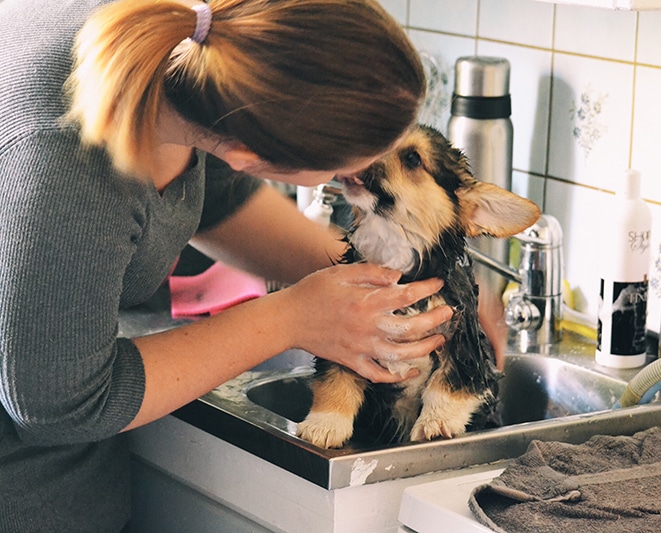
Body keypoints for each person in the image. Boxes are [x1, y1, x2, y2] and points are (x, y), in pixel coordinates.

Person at [0, 0, 456, 531]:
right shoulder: (66, 157)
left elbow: (217, 198)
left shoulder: (197, 52)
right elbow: (58, 401)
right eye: (344, 172)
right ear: (246, 150)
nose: (357, 178)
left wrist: (398, 283)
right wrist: (293, 318)